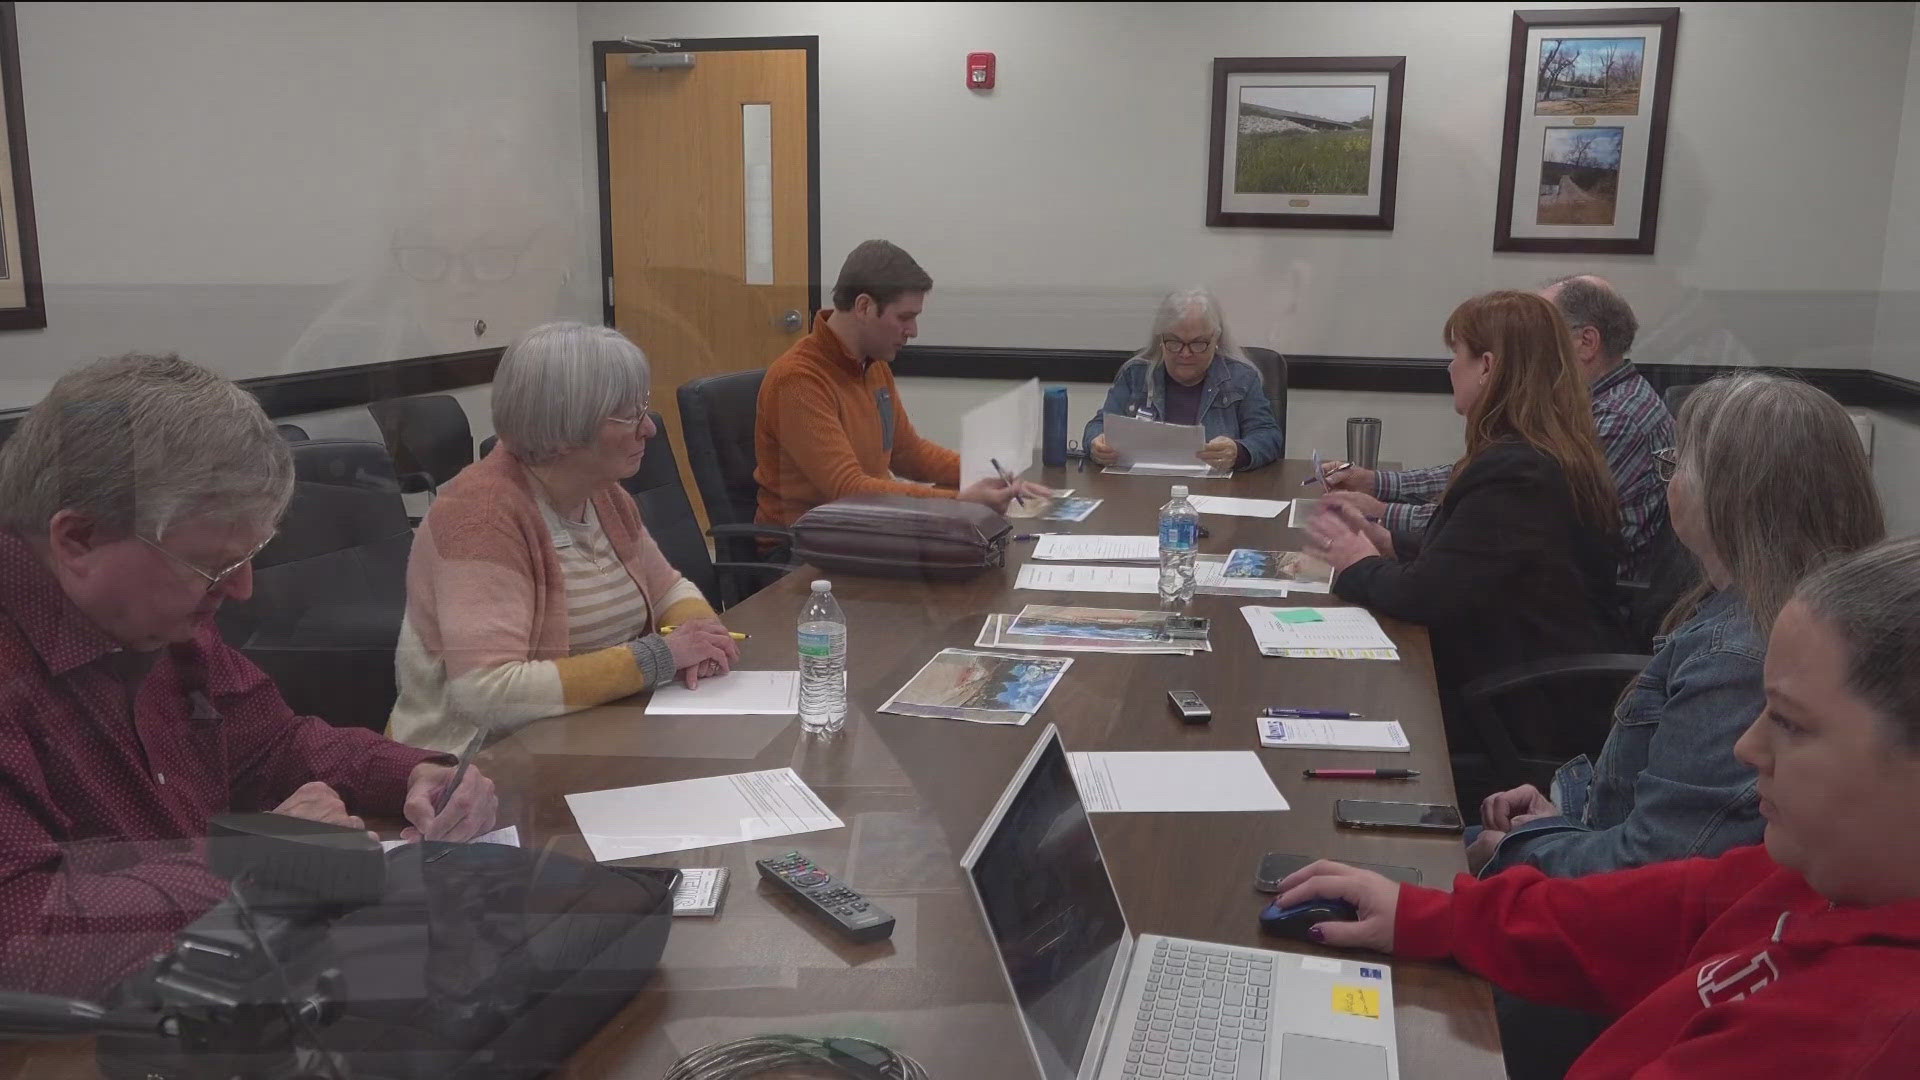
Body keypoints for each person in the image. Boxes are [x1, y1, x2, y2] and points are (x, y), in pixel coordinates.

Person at [1273, 535, 1920, 1079]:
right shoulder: (1818, 875)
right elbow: (1640, 916)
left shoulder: (1863, 1036)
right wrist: (1429, 916)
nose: (1749, 748)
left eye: (1794, 725)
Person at [0, 354, 496, 998]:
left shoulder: (157, 620)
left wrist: (408, 772)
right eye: (212, 566)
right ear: (78, 540)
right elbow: (20, 938)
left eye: (250, 558)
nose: (242, 590)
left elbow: (271, 745)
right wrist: (262, 857)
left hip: (216, 990)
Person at [1472, 373, 1885, 878]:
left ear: (1729, 495)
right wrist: (1560, 816)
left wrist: (1513, 850)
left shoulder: (1736, 660)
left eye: (1675, 464)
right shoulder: (1737, 613)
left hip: (1609, 909)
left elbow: (1647, 868)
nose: (1671, 480)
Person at [391, 322, 740, 754]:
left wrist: (698, 634)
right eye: (629, 415)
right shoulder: (479, 519)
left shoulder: (601, 492)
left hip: (590, 737)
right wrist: (659, 657)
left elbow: (668, 587)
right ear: (564, 430)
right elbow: (487, 693)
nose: (648, 428)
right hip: (480, 767)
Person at [1304, 291, 1626, 733]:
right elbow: (1480, 558)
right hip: (1516, 670)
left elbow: (1424, 597)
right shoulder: (1545, 451)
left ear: (1488, 367)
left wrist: (1359, 563)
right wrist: (1388, 541)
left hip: (1517, 701)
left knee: (1336, 694)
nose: (1450, 368)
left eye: (1457, 354)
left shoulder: (1517, 471)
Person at [1319, 275, 1672, 580]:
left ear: (1587, 342)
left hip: (1570, 614)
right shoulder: (1588, 405)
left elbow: (1489, 517)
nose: (1528, 349)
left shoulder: (1616, 419)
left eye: (1544, 335)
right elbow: (1482, 484)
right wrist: (1380, 485)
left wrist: (1381, 514)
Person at [754, 240, 1049, 528]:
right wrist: (959, 500)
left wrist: (986, 475)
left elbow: (908, 453)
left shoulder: (873, 365)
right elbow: (846, 489)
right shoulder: (798, 380)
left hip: (859, 530)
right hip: (802, 550)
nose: (914, 331)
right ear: (864, 307)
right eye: (905, 317)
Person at [1082, 288, 1285, 472]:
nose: (1185, 354)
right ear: (1160, 340)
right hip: (1143, 490)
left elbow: (1269, 436)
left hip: (1218, 495)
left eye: (1198, 343)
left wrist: (1239, 452)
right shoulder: (1136, 375)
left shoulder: (1242, 378)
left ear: (1216, 339)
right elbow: (1098, 426)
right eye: (1174, 342)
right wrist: (1096, 443)